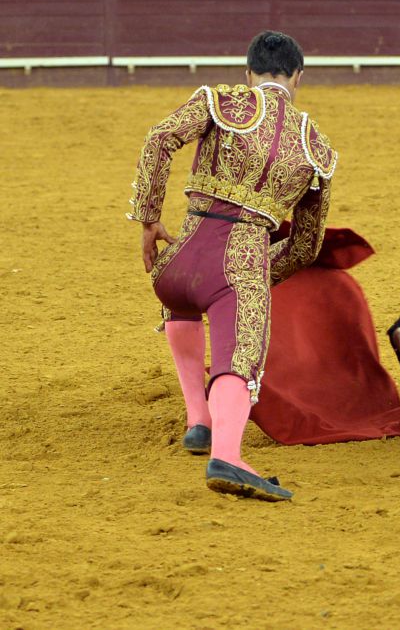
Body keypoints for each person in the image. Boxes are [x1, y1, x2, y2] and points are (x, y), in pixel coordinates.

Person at [127, 31, 336, 502]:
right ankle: (227, 454)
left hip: (176, 265)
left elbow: (160, 138)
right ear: (297, 78)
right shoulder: (314, 147)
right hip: (237, 264)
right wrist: (258, 276)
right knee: (238, 359)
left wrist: (148, 219)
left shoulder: (220, 101)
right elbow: (306, 244)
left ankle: (197, 419)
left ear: (249, 73)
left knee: (182, 303)